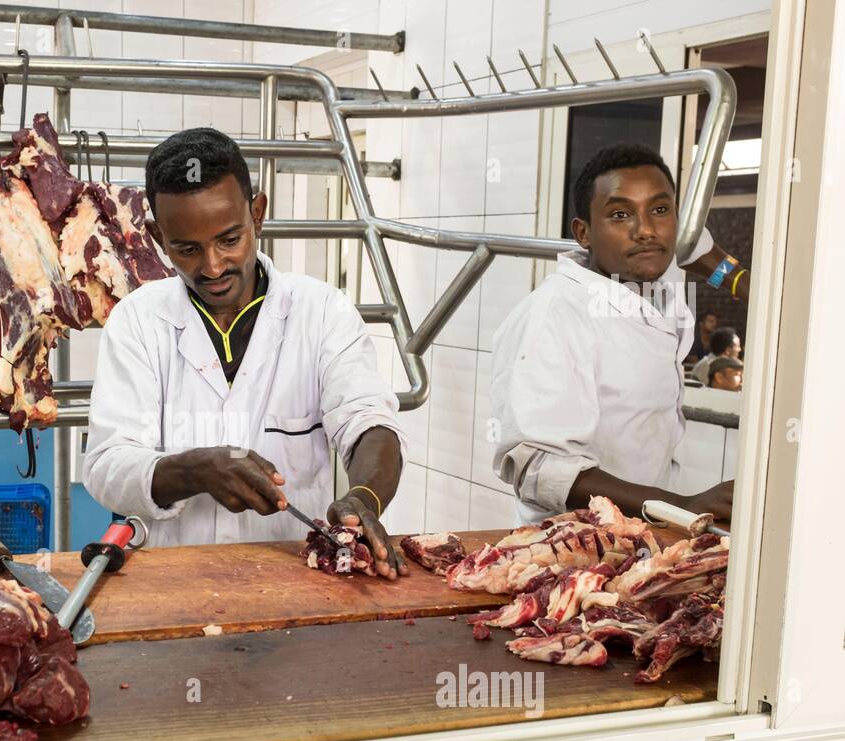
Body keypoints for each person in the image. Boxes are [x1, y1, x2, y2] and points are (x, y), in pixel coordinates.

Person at [83, 128, 412, 579]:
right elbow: (105, 467)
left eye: (229, 239)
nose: (213, 266)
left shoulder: (321, 313)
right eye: (187, 249)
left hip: (294, 582)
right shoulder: (138, 321)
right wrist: (196, 469)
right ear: (159, 237)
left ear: (257, 214)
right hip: (170, 585)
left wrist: (364, 499)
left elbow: (370, 422)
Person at [490, 143, 737, 524]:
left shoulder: (653, 282)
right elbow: (540, 468)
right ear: (583, 233)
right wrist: (679, 506)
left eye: (660, 209)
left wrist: (743, 282)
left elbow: (694, 247)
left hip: (647, 535)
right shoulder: (554, 315)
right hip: (572, 549)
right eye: (620, 215)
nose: (647, 230)